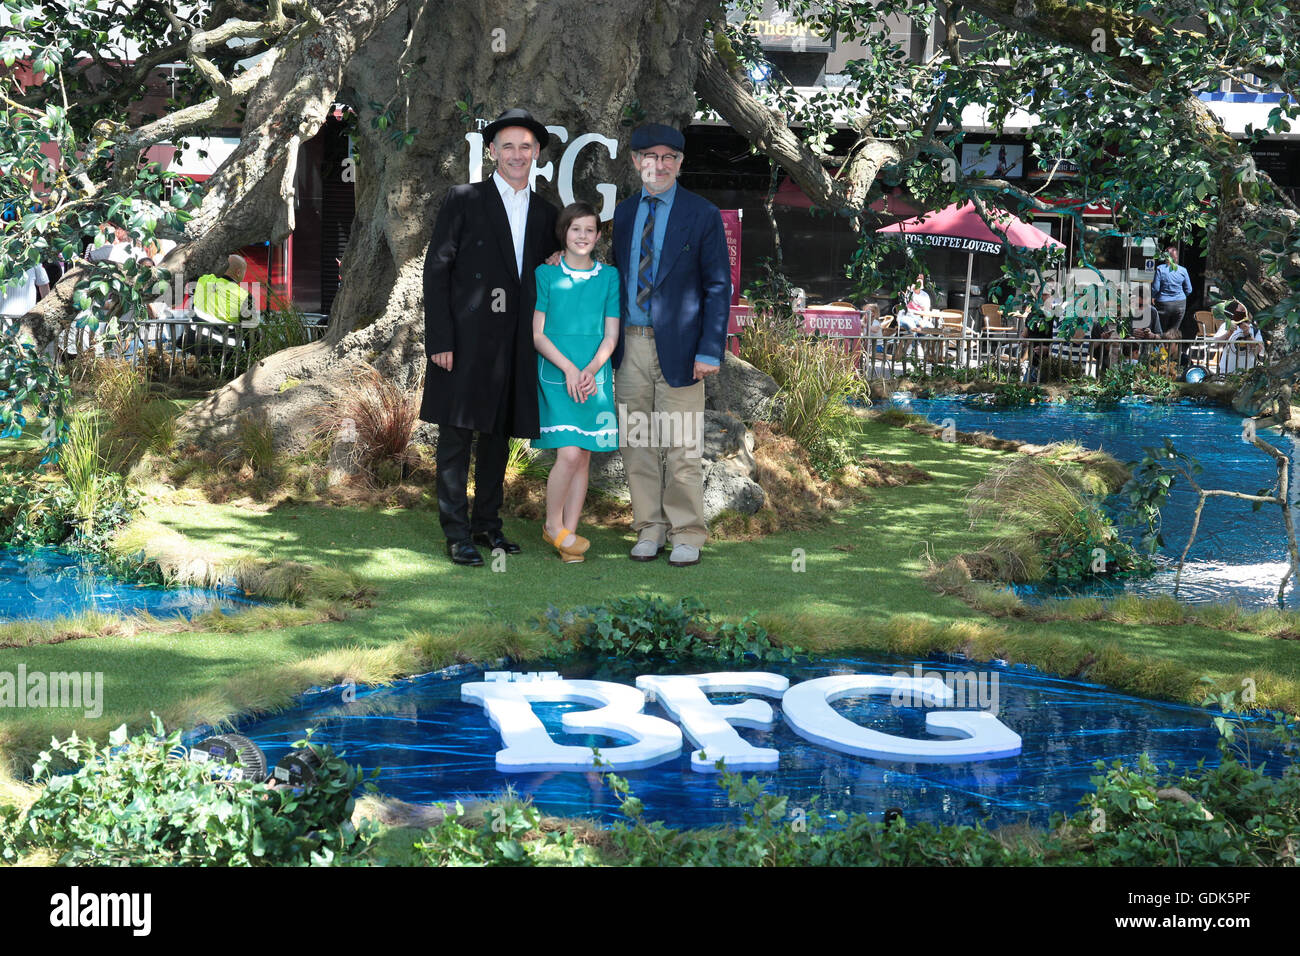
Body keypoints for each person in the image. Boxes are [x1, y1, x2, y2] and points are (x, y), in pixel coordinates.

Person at [420, 108, 560, 567]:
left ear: (537, 153)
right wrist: (440, 338)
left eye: (525, 146)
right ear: (492, 152)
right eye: (507, 146)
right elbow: (437, 269)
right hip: (463, 340)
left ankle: (487, 525)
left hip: (516, 345)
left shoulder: (547, 214)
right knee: (457, 436)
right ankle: (456, 532)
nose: (517, 154)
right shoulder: (463, 198)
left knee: (498, 437)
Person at [611, 122, 729, 567]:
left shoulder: (701, 214)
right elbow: (614, 278)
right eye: (649, 157)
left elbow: (719, 286)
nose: (657, 166)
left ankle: (687, 533)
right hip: (631, 346)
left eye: (667, 158)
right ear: (635, 161)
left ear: (680, 164)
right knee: (637, 441)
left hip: (681, 349)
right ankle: (649, 528)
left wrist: (709, 349)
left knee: (681, 445)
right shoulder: (624, 214)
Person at [531, 201, 621, 563]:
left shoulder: (609, 277)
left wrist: (591, 370)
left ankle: (570, 532)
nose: (582, 236)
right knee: (567, 454)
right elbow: (537, 334)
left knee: (583, 456)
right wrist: (570, 369)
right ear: (563, 234)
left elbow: (611, 335)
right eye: (575, 229)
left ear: (598, 235)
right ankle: (553, 526)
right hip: (556, 374)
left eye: (589, 230)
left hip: (594, 377)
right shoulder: (546, 274)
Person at [1149, 245, 1192, 336]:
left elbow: (1155, 288)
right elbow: (1189, 290)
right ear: (1176, 258)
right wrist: (1179, 296)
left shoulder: (1160, 269)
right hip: (1180, 304)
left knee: (1161, 330)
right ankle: (1172, 350)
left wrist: (1153, 297)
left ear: (1166, 257)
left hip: (1163, 304)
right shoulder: (1183, 270)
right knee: (1173, 332)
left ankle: (1161, 349)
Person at [1213, 301, 1265, 374]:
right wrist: (1229, 333)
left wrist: (1248, 335)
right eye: (1240, 310)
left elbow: (1259, 350)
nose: (1242, 313)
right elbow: (1216, 345)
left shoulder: (1255, 329)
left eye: (1245, 310)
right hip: (1227, 371)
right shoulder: (1226, 325)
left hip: (1248, 373)